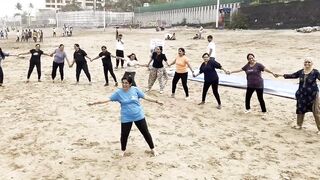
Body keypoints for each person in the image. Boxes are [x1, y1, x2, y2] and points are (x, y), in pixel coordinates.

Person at [88, 76, 163, 157]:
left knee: (145, 133)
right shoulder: (118, 93)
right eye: (123, 83)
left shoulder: (135, 89)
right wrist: (94, 102)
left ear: (130, 84)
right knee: (124, 135)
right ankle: (123, 150)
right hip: (126, 117)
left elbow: (145, 97)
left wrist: (156, 101)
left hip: (138, 115)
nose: (124, 84)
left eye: (126, 83)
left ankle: (153, 149)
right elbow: (107, 99)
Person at [276, 58, 320, 134]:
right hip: (302, 94)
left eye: (309, 62)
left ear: (312, 63)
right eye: (305, 62)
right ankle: (299, 125)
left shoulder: (315, 72)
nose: (307, 63)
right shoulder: (301, 71)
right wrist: (280, 75)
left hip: (313, 95)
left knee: (316, 111)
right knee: (300, 109)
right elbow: (292, 75)